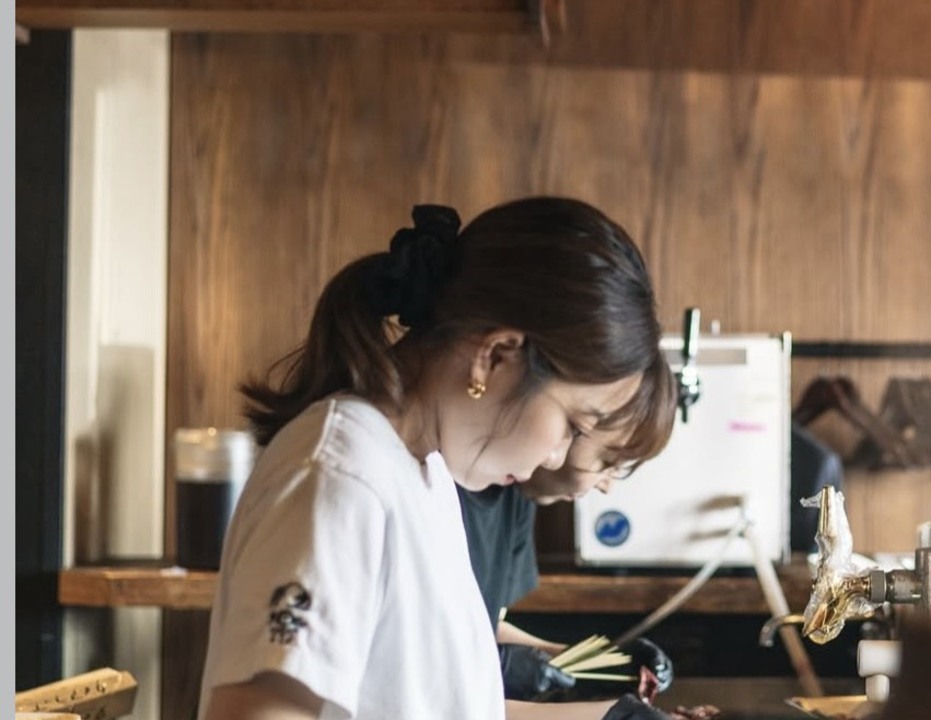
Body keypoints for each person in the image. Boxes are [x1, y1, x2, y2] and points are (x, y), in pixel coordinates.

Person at [198, 198, 679, 720]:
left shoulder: (427, 477)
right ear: (494, 356)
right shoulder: (341, 477)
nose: (554, 457)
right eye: (574, 425)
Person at [459, 355, 678, 702]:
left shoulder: (516, 494)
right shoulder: (444, 489)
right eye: (607, 463)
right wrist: (488, 666)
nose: (607, 487)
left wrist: (602, 663)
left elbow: (481, 623)